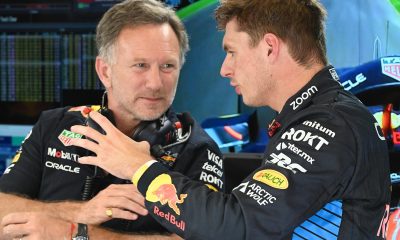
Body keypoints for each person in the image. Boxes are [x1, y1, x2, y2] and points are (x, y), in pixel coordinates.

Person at [64, 0, 392, 239]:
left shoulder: (328, 124)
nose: (225, 68)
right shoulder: (322, 114)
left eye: (232, 51)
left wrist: (140, 168)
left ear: (269, 48)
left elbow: (239, 228)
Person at [0, 0, 225, 239]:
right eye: (140, 65)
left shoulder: (198, 149)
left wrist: (73, 233)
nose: (156, 83)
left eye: (167, 66)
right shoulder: (55, 124)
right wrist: (81, 212)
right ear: (105, 71)